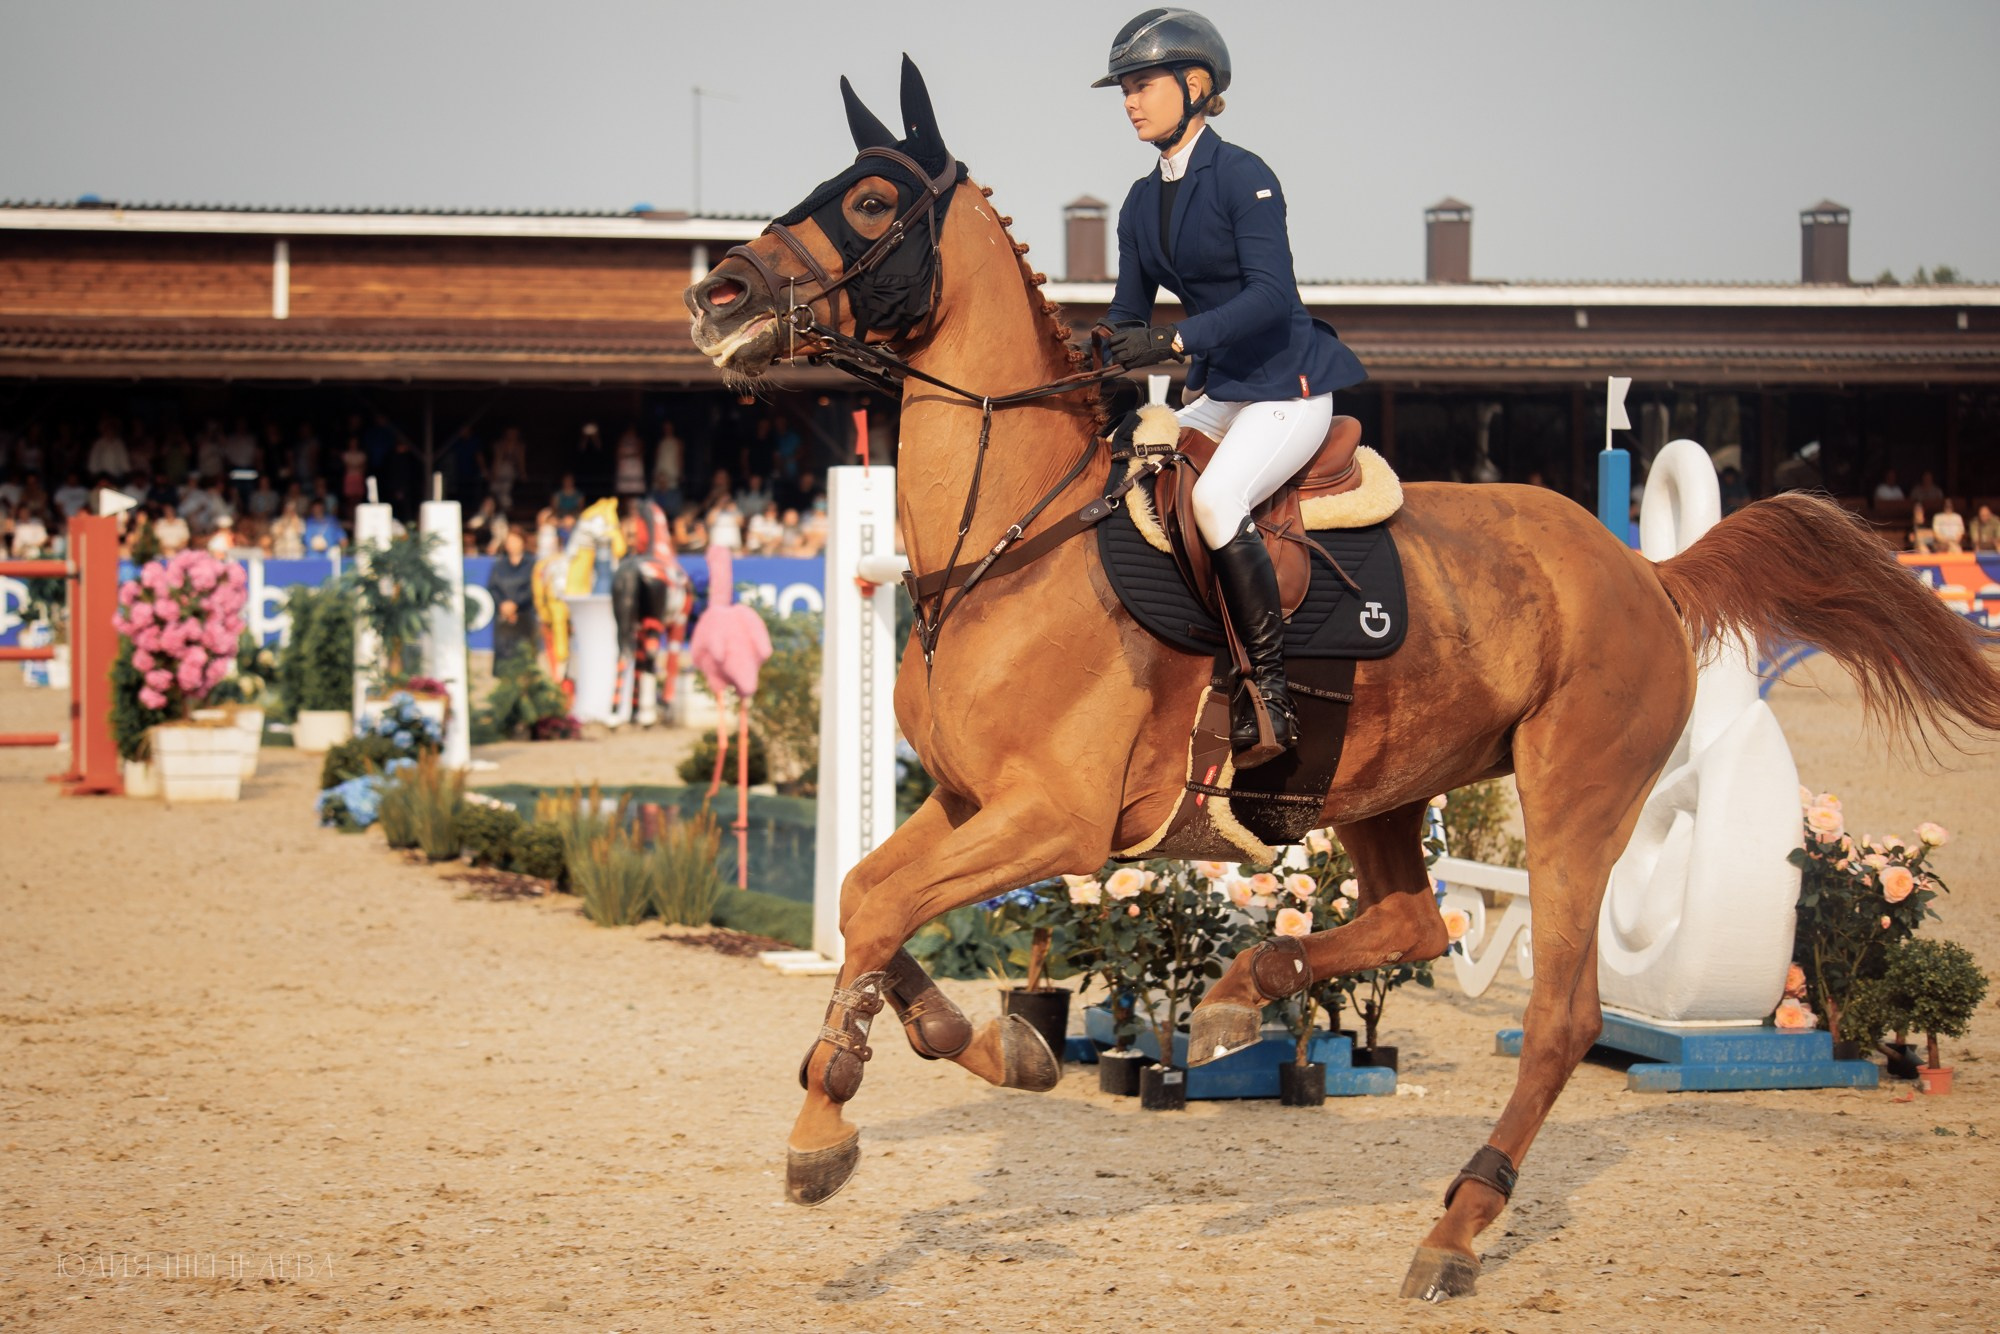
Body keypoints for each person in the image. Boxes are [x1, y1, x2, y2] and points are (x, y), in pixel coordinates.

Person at [1093, 7, 1366, 764]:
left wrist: (1176, 340)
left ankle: (1269, 693)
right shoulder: (1141, 201)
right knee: (1143, 487)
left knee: (1215, 499)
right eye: (1124, 87)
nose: (1130, 100)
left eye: (1142, 83)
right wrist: (1101, 349)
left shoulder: (1245, 176)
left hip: (1287, 385)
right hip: (1221, 387)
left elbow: (1272, 296)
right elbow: (1127, 312)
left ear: (1196, 84)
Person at [488, 526, 539, 668]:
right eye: (509, 541)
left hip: (524, 614)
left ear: (522, 542)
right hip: (503, 617)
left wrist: (515, 604)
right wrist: (504, 606)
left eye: (515, 541)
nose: (512, 544)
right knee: (504, 656)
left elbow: (532, 588)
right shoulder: (499, 565)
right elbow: (493, 588)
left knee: (524, 655)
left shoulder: (531, 564)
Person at [489, 427, 526, 514]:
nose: (512, 435)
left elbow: (521, 461)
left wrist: (523, 473)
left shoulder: (519, 446)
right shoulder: (500, 444)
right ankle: (497, 505)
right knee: (495, 487)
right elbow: (497, 459)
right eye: (510, 433)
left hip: (511, 471)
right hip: (500, 469)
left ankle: (505, 505)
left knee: (505, 486)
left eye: (514, 433)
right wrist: (494, 472)